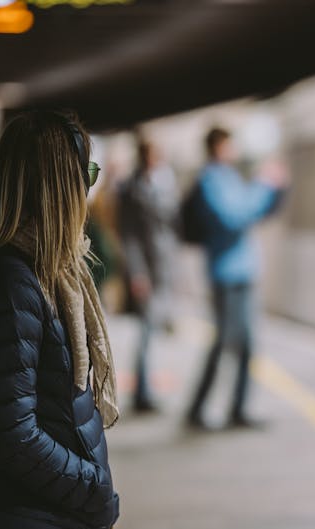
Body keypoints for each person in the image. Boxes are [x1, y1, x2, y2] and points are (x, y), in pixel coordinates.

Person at [0, 111, 119, 529]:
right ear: (62, 186)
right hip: (23, 512)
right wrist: (92, 489)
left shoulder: (45, 273)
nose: (88, 191)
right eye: (87, 175)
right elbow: (11, 436)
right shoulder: (7, 283)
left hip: (38, 508)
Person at [186, 127, 288, 430]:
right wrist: (263, 185)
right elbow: (235, 215)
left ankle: (238, 409)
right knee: (224, 343)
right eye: (229, 144)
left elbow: (250, 209)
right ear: (218, 146)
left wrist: (271, 190)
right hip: (226, 273)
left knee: (244, 344)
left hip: (242, 271)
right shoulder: (210, 180)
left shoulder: (228, 177)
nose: (234, 149)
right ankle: (197, 409)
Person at [117, 138, 179, 412]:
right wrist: (137, 273)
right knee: (146, 332)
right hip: (146, 269)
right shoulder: (131, 189)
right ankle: (142, 393)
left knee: (153, 330)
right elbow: (129, 236)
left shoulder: (164, 183)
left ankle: (147, 389)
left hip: (163, 266)